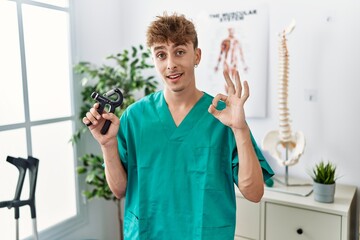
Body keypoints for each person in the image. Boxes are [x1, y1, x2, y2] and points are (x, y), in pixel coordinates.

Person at [83, 12, 273, 240]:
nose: (171, 64)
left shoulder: (223, 116)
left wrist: (240, 129)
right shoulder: (135, 117)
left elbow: (253, 193)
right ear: (154, 60)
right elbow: (119, 190)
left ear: (197, 56)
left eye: (180, 52)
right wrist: (107, 144)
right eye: (161, 55)